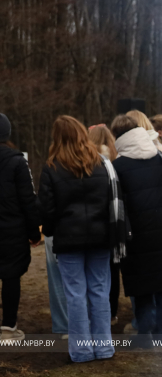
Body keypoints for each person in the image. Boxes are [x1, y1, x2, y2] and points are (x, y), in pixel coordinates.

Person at [39, 116, 123, 363]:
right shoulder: (102, 163)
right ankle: (104, 347)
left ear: (57, 137)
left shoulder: (52, 167)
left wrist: (52, 231)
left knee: (75, 295)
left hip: (68, 240)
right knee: (100, 291)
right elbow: (112, 200)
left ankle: (82, 351)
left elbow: (47, 209)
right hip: (100, 237)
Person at [110, 115, 162, 344]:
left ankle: (145, 337)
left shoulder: (117, 166)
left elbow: (118, 206)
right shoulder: (161, 158)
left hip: (138, 238)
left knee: (142, 290)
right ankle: (161, 334)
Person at [0, 113, 42, 343]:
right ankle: (8, 328)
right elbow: (28, 199)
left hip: (11, 228)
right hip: (12, 230)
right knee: (11, 276)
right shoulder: (17, 161)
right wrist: (34, 232)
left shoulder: (18, 161)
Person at [88, 124, 121, 325]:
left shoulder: (89, 161)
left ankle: (95, 313)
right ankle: (112, 312)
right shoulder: (117, 158)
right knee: (113, 271)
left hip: (95, 222)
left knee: (94, 273)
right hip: (114, 221)